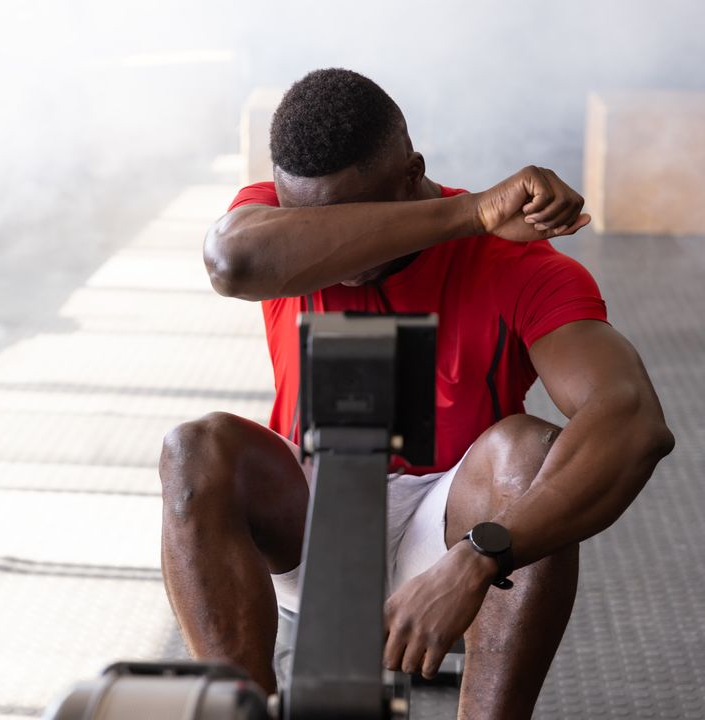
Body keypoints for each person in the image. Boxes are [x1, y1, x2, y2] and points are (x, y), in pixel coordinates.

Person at [158, 68, 675, 719]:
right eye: (312, 225)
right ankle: (242, 712)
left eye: (353, 221)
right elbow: (233, 265)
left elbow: (632, 423)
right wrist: (471, 213)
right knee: (195, 449)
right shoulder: (269, 223)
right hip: (311, 509)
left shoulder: (520, 266)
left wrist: (481, 557)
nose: (336, 258)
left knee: (530, 455)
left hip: (456, 527)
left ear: (411, 173)